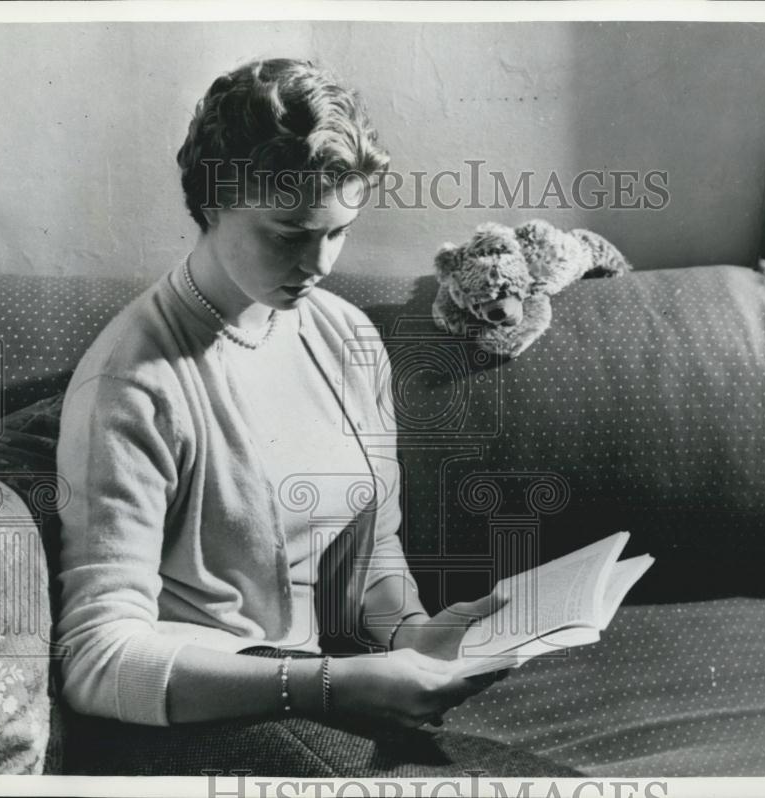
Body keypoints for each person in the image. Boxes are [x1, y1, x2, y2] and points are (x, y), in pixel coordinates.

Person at [55, 57, 570, 778]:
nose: (320, 262)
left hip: (307, 681)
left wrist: (414, 636)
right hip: (193, 711)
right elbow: (95, 660)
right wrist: (328, 685)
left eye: (339, 231)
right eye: (288, 233)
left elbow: (370, 558)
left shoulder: (346, 336)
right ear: (211, 202)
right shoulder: (131, 384)